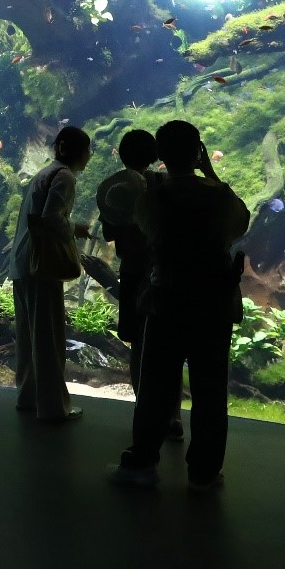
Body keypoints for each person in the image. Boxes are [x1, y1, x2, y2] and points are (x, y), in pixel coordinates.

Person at [108, 120, 249, 489]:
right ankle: (203, 472)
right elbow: (241, 224)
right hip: (213, 304)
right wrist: (211, 174)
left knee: (155, 386)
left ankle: (142, 461)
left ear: (161, 155)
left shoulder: (153, 198)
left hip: (166, 300)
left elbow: (139, 225)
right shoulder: (220, 196)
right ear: (199, 152)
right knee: (210, 390)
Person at [96, 129, 184, 441]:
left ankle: (143, 409)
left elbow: (109, 232)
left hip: (133, 270)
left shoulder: (116, 189)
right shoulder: (163, 184)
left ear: (121, 155)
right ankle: (174, 416)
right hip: (164, 272)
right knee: (170, 346)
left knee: (138, 345)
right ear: (155, 155)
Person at [8, 126, 93, 423]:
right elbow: (51, 218)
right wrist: (75, 228)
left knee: (28, 336)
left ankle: (28, 398)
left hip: (23, 263)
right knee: (48, 339)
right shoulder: (64, 176)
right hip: (41, 266)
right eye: (88, 150)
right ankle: (53, 408)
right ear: (78, 151)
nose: (89, 156)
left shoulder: (43, 173)